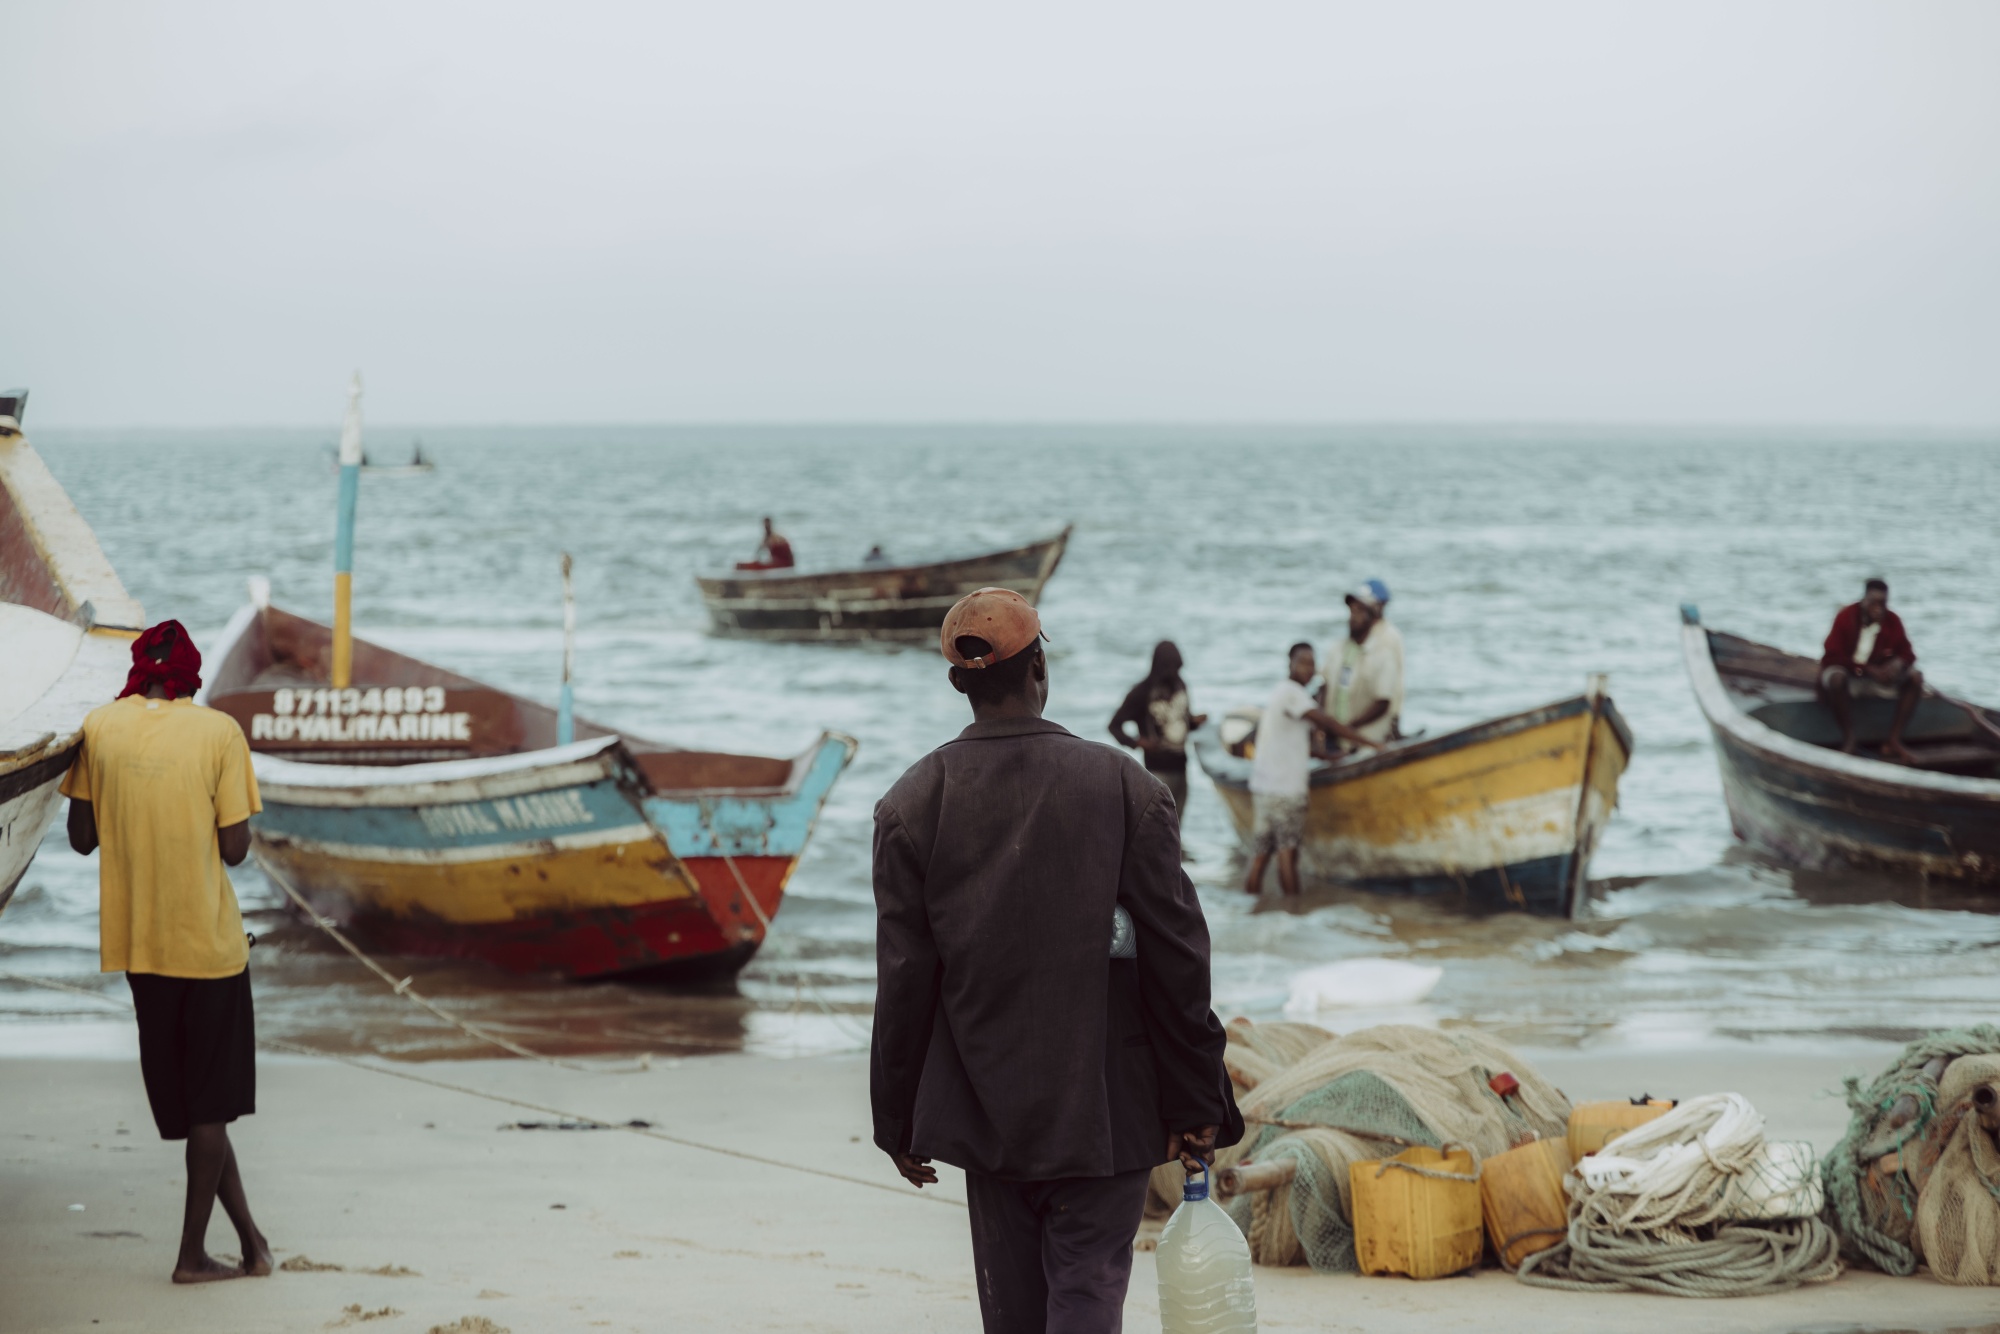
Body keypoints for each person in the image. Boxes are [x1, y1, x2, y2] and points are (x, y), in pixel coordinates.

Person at [872, 588, 1242, 1334]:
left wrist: (897, 1118)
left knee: (1013, 1315)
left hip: (986, 1110)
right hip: (1107, 1109)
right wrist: (1197, 1103)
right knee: (1086, 1298)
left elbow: (907, 979)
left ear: (959, 685)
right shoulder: (1125, 788)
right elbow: (1178, 959)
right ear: (1040, 668)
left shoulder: (911, 805)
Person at [60, 621, 272, 1285]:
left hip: (140, 949)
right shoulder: (217, 733)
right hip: (208, 948)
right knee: (209, 1109)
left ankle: (254, 1244)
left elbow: (82, 838)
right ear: (190, 674)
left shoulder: (100, 727)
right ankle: (191, 1258)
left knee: (195, 1107)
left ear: (137, 670)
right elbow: (236, 850)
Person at [1244, 642, 1382, 898]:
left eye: (1312, 663)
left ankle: (1251, 910)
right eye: (1304, 662)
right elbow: (1326, 722)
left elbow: (1293, 743)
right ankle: (1293, 916)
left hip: (1264, 788)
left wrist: (1328, 756)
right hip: (1284, 791)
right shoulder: (1293, 693)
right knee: (1288, 857)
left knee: (1260, 856)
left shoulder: (1281, 692)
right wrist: (1370, 744)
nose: (1310, 669)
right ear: (1290, 664)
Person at [1819, 577, 1925, 762]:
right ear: (1864, 600)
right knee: (1836, 678)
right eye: (1873, 603)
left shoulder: (1893, 621)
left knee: (1916, 677)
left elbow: (1909, 654)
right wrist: (1865, 669)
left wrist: (1897, 664)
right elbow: (1831, 655)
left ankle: (1893, 741)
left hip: (1876, 682)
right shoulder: (1845, 617)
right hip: (1849, 678)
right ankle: (1849, 740)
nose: (1878, 608)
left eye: (1882, 603)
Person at [1108, 641, 1207, 829]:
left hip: (1182, 767)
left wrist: (1193, 722)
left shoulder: (1180, 685)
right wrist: (1137, 742)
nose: (1175, 674)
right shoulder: (1142, 692)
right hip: (1157, 771)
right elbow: (1114, 726)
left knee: (1177, 827)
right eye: (1172, 669)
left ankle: (1178, 858)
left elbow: (1179, 722)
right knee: (1158, 827)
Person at [1326, 579, 1404, 751]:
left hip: (1369, 730)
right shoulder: (1343, 646)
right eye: (1352, 611)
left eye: (1360, 611)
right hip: (1342, 731)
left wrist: (1394, 721)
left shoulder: (1388, 639)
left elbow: (1390, 691)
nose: (1354, 616)